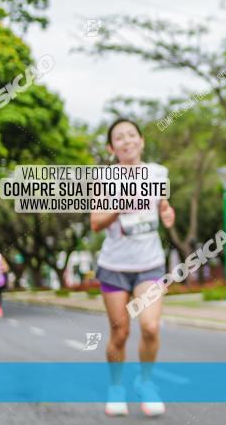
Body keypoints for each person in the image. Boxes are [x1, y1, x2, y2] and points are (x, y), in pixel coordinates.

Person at [90, 118, 175, 418]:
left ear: (141, 141)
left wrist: (167, 213)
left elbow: (163, 205)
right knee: (120, 333)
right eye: (119, 138)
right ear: (112, 148)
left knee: (150, 327)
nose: (126, 141)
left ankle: (146, 382)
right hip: (114, 266)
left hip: (149, 264)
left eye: (131, 135)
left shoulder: (158, 173)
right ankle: (116, 388)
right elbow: (96, 222)